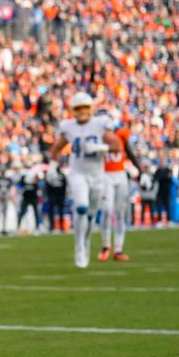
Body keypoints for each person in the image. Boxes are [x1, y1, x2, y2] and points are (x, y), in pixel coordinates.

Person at [48, 93, 121, 268]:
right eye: (78, 108)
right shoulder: (69, 127)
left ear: (90, 108)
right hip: (77, 172)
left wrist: (99, 147)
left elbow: (116, 146)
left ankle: (85, 242)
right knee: (81, 207)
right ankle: (79, 247)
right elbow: (56, 148)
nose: (81, 111)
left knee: (91, 214)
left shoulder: (100, 123)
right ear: (73, 110)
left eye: (84, 107)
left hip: (97, 174)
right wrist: (52, 166)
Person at [98, 114, 142, 261]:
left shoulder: (121, 134)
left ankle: (118, 249)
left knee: (120, 212)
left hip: (120, 174)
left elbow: (129, 152)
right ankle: (105, 246)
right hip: (104, 175)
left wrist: (141, 169)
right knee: (106, 211)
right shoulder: (95, 136)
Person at [16, 158, 43, 234]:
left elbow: (38, 183)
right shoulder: (23, 174)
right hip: (26, 196)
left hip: (33, 196)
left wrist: (35, 182)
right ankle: (18, 227)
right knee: (22, 212)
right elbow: (20, 184)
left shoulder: (34, 173)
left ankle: (37, 227)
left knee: (36, 212)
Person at [44, 162, 67, 232]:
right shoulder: (52, 175)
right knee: (54, 212)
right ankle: (52, 227)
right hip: (54, 196)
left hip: (58, 196)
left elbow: (64, 185)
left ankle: (61, 227)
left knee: (60, 212)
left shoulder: (61, 175)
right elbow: (47, 185)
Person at [0, 167, 14, 235]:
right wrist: (1, 196)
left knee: (5, 214)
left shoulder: (9, 180)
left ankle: (4, 229)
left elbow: (10, 189)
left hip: (6, 198)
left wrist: (6, 196)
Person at [153, 158, 174, 226]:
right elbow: (156, 179)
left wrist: (163, 178)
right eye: (161, 162)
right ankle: (159, 221)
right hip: (159, 192)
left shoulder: (168, 170)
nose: (162, 163)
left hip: (166, 191)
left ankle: (169, 220)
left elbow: (170, 179)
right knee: (159, 207)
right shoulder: (158, 171)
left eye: (163, 162)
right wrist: (165, 177)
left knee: (168, 206)